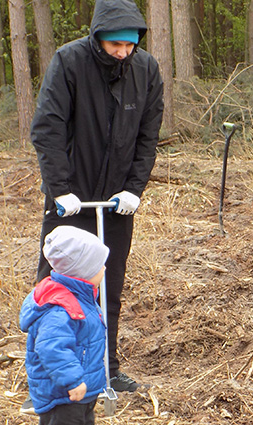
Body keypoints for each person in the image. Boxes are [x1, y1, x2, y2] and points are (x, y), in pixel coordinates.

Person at [29, 0, 164, 399]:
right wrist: (60, 189)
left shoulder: (146, 70)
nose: (123, 52)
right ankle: (49, 375)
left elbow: (147, 137)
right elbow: (47, 129)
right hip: (71, 201)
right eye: (115, 44)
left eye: (130, 44)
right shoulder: (69, 63)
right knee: (55, 287)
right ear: (98, 37)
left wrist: (134, 190)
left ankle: (106, 368)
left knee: (108, 287)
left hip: (115, 203)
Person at [20, 226, 112, 425]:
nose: (105, 268)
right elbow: (52, 348)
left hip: (83, 392)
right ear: (80, 272)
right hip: (63, 394)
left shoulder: (82, 294)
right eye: (99, 265)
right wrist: (73, 379)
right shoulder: (60, 307)